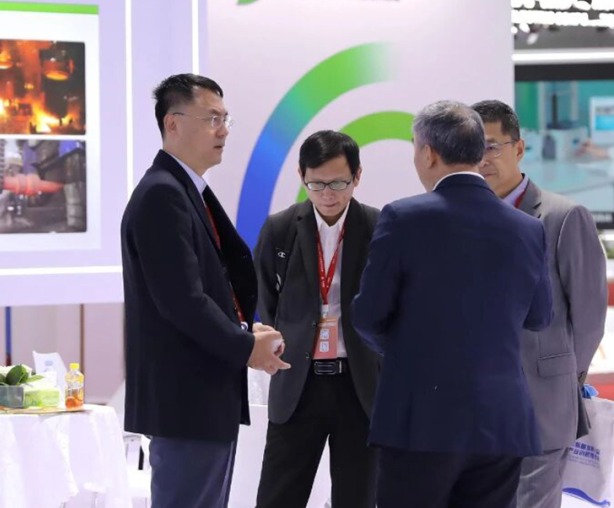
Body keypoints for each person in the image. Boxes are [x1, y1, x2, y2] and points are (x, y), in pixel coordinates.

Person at [352, 100, 553, 508]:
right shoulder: (527, 228)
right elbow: (539, 316)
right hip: (502, 421)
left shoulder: (403, 218)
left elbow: (369, 316)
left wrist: (406, 350)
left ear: (428, 153)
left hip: (421, 420)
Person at [122, 73, 289, 508]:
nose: (223, 131)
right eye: (212, 119)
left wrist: (243, 330)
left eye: (225, 119)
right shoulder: (162, 195)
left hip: (201, 396)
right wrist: (246, 346)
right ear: (173, 123)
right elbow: (182, 301)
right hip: (187, 400)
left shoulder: (183, 190)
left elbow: (203, 291)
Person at [472, 99, 607, 508]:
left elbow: (588, 317)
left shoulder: (563, 216)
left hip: (541, 401)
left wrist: (564, 376)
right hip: (476, 408)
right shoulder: (462, 219)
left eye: (491, 146)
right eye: (473, 148)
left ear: (519, 147)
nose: (483, 158)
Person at [253, 130, 381, 508]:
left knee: (357, 498)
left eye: (338, 183)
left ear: (357, 176)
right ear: (301, 176)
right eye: (317, 184)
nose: (328, 194)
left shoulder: (378, 227)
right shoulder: (280, 228)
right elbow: (266, 300)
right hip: (299, 384)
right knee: (277, 497)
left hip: (359, 386)